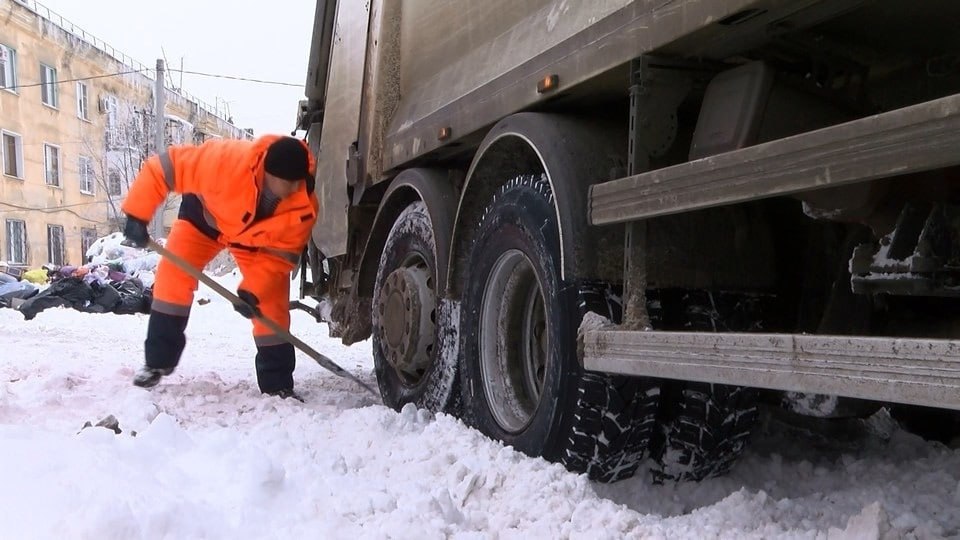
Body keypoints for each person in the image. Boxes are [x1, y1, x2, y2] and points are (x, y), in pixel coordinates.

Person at [121, 135, 318, 400]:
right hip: (205, 220)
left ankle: (277, 383)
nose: (296, 188)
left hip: (255, 243)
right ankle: (157, 362)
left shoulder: (304, 207)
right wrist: (137, 213)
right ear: (267, 173)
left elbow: (280, 258)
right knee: (172, 277)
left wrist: (252, 291)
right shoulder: (225, 161)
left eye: (299, 181)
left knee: (271, 305)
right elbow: (163, 168)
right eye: (289, 182)